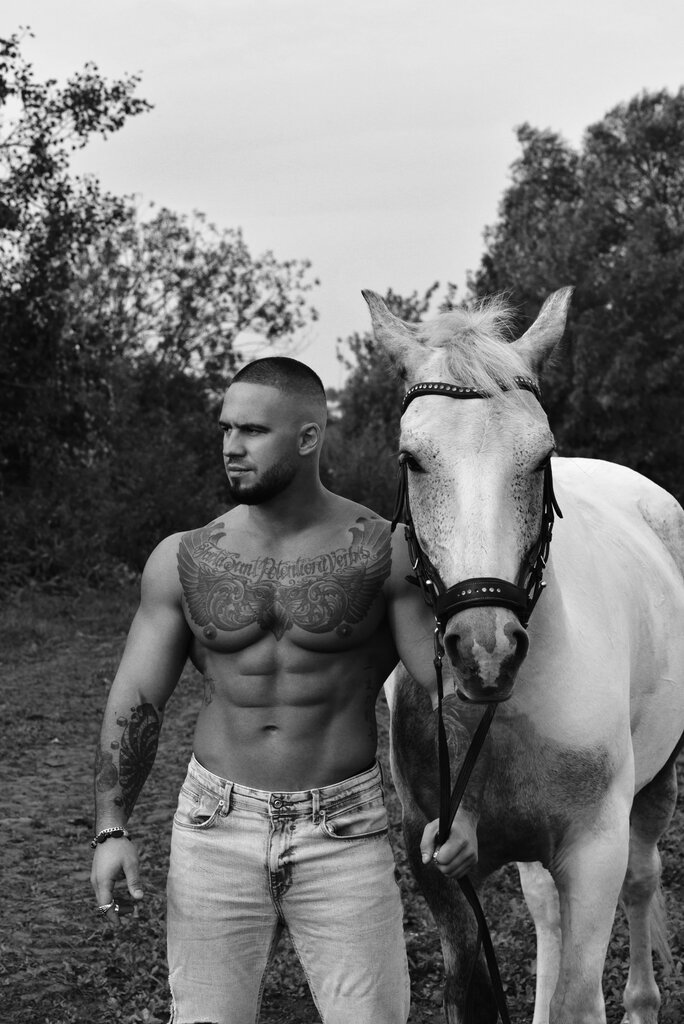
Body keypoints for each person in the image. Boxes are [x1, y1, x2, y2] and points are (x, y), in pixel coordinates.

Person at [90, 356, 481, 1024]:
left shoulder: (389, 554)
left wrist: (463, 806)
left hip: (342, 829)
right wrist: (110, 828)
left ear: (308, 437)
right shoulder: (184, 558)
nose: (231, 446)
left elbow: (448, 692)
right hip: (213, 828)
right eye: (226, 428)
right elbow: (137, 701)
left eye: (252, 430)